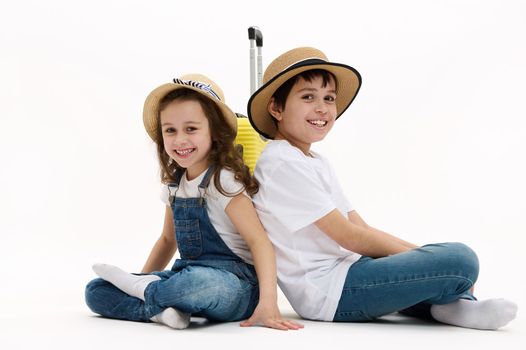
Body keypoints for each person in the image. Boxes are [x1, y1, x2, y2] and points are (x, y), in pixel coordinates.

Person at [247, 47, 518, 330]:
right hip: (332, 291)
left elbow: (360, 226)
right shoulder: (282, 162)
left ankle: (452, 309)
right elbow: (350, 237)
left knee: (442, 262)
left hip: (352, 270)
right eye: (308, 97)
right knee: (461, 259)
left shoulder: (315, 160)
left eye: (329, 98)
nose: (322, 108)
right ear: (276, 108)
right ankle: (454, 299)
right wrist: (428, 261)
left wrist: (420, 256)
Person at [85, 74, 303, 331]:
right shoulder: (175, 185)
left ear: (214, 131)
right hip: (187, 273)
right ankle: (160, 311)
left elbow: (260, 242)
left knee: (197, 284)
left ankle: (151, 295)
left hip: (236, 286)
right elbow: (167, 241)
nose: (180, 140)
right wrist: (143, 279)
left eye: (191, 129)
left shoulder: (224, 181)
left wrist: (268, 302)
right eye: (170, 130)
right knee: (95, 290)